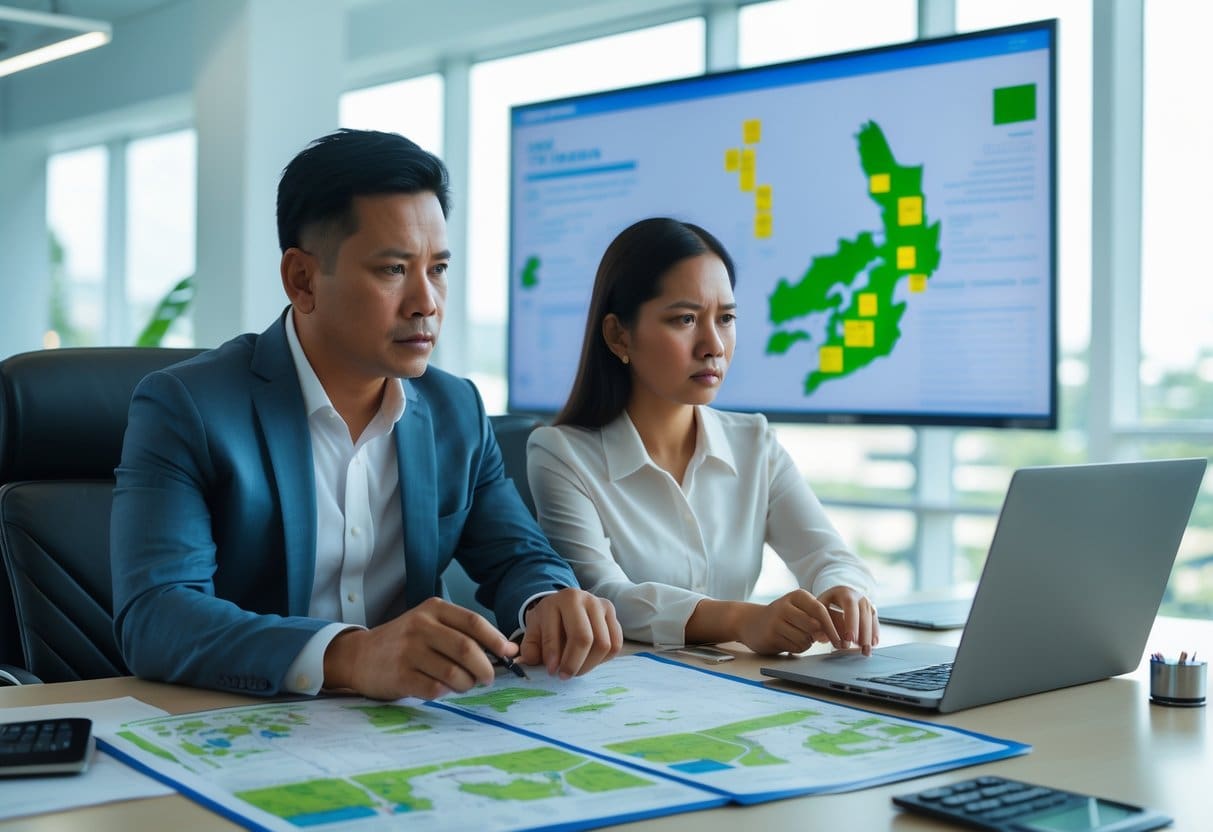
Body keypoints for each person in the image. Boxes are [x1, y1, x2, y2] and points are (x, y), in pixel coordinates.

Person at [111, 129, 621, 700]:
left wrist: (548, 600)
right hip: (240, 725)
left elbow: (520, 556)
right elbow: (155, 616)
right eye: (394, 270)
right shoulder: (189, 408)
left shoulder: (457, 410)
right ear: (302, 279)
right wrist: (350, 655)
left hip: (407, 735)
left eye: (439, 268)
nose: (427, 302)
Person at [526, 217, 877, 656]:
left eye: (726, 318)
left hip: (732, 688)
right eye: (686, 319)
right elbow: (604, 594)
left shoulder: (754, 442)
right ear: (619, 335)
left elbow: (831, 557)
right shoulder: (560, 453)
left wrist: (843, 592)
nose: (713, 344)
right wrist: (741, 619)